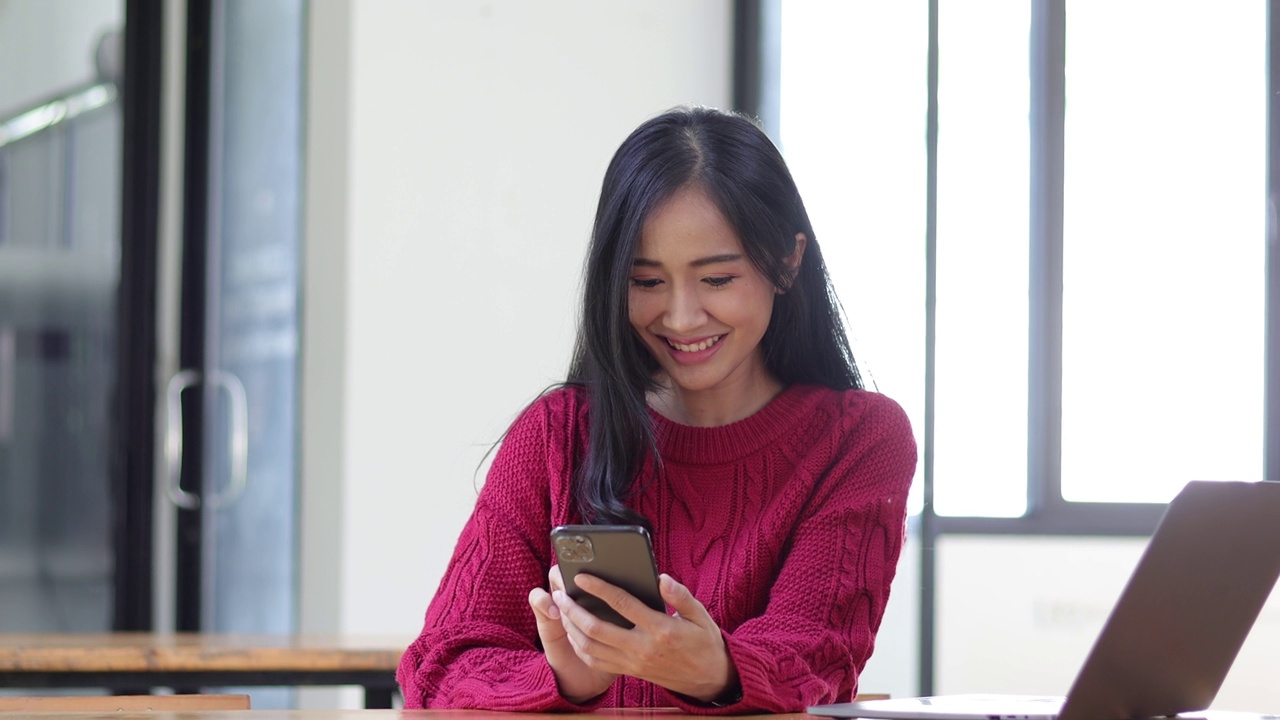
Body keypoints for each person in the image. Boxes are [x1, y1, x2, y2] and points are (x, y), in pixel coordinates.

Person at [396, 106, 917, 713]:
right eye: (647, 283)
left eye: (717, 279)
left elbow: (815, 657)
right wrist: (566, 681)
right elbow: (440, 663)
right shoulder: (558, 435)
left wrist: (713, 669)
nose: (682, 317)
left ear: (787, 260)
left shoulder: (860, 439)